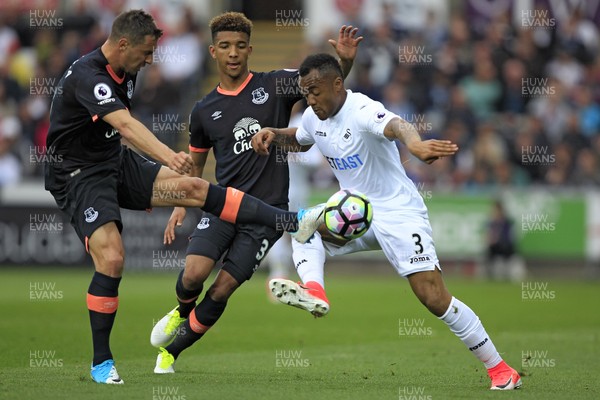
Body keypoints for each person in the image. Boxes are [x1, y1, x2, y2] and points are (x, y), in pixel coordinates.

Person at [43, 9, 323, 385]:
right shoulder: (88, 77)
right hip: (78, 174)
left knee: (192, 188)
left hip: (115, 162)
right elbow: (124, 124)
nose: (149, 60)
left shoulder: (127, 69)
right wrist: (167, 156)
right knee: (112, 258)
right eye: (145, 53)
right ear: (123, 44)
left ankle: (291, 222)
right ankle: (101, 363)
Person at [251, 53, 522, 391]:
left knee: (433, 296)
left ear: (337, 84)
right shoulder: (312, 116)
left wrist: (417, 145)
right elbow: (301, 137)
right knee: (303, 227)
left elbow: (397, 126)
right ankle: (315, 290)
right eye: (306, 92)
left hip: (397, 212)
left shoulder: (362, 109)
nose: (311, 99)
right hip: (354, 213)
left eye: (316, 91)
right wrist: (274, 134)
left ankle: (500, 368)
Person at [150, 12, 362, 374]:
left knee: (221, 290)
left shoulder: (276, 85)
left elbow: (324, 83)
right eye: (226, 46)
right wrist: (181, 205)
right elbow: (197, 166)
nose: (233, 53)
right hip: (222, 207)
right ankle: (181, 310)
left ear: (250, 49)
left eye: (240, 46)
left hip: (266, 214)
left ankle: (171, 353)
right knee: (192, 276)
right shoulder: (203, 110)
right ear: (213, 51)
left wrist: (345, 60)